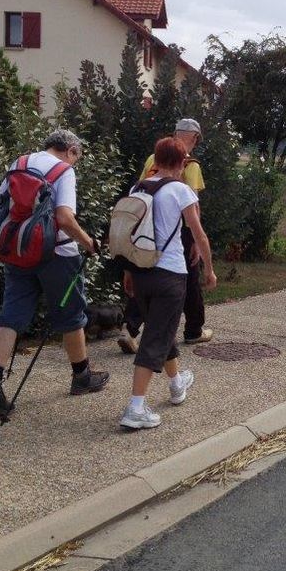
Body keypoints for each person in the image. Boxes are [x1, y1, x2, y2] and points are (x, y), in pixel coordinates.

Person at [0, 129, 110, 418]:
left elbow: (0, 206)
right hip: (57, 254)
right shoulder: (64, 171)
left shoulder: (19, 164)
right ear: (71, 150)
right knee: (71, 314)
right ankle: (81, 377)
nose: (76, 163)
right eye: (78, 157)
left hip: (17, 251)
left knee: (10, 317)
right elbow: (64, 218)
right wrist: (88, 242)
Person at [119, 137, 218, 429]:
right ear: (181, 162)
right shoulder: (181, 191)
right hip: (169, 274)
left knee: (161, 329)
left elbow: (130, 234)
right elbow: (199, 235)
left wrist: (128, 273)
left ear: (156, 160)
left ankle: (176, 384)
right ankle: (135, 408)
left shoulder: (137, 188)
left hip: (140, 271)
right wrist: (209, 270)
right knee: (155, 337)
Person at [119, 117, 212, 353]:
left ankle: (129, 327)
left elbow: (140, 190)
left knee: (144, 273)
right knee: (188, 279)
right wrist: (196, 244)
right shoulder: (190, 164)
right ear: (194, 138)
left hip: (145, 228)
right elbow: (193, 204)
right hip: (177, 228)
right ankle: (193, 330)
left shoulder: (154, 158)